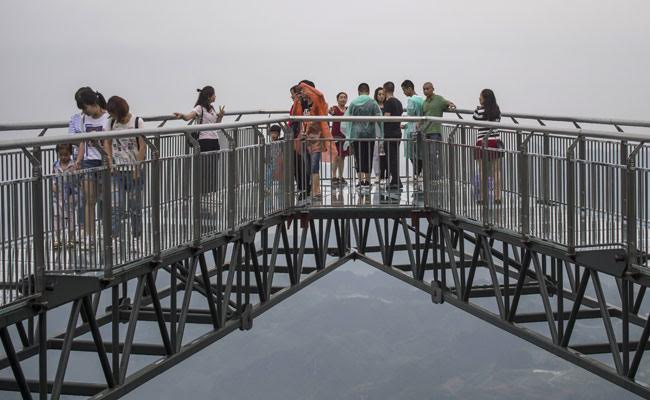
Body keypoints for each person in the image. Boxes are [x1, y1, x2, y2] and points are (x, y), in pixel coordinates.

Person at [104, 96, 146, 246]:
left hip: (134, 169)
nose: (113, 116)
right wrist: (110, 161)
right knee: (116, 205)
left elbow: (142, 145)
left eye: (114, 113)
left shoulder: (137, 122)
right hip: (117, 170)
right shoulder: (110, 122)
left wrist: (137, 167)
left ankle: (136, 236)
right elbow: (107, 142)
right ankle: (115, 238)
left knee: (135, 206)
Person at [174, 86, 226, 195]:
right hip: (204, 141)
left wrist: (220, 116)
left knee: (213, 170)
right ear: (208, 96)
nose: (215, 96)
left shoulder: (212, 109)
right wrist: (182, 116)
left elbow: (215, 125)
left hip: (214, 140)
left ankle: (211, 193)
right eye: (213, 94)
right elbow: (189, 117)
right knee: (204, 170)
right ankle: (203, 194)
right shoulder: (199, 108)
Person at [74, 89, 108, 250]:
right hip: (88, 161)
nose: (84, 111)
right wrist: (78, 161)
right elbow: (82, 141)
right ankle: (89, 236)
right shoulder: (83, 118)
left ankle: (108, 235)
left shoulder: (107, 117)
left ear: (94, 104)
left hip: (104, 161)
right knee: (89, 200)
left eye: (85, 107)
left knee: (105, 200)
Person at [292, 81, 337, 200]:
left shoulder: (319, 102)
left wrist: (306, 87)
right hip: (304, 139)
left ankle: (317, 192)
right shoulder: (301, 103)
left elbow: (320, 96)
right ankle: (311, 189)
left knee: (314, 165)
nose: (302, 92)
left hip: (316, 138)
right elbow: (296, 117)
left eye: (304, 89)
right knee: (307, 166)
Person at [342, 83, 383, 190]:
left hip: (356, 134)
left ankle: (360, 180)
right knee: (368, 156)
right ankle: (368, 180)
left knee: (359, 157)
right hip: (370, 134)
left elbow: (347, 119)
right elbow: (379, 118)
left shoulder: (353, 103)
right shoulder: (373, 102)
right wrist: (381, 135)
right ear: (368, 91)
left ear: (358, 91)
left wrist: (348, 135)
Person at [421, 82, 456, 180]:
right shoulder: (424, 102)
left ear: (433, 89)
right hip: (425, 131)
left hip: (435, 132)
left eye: (427, 89)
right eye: (424, 89)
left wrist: (451, 105)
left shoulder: (438, 99)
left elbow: (448, 103)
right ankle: (430, 176)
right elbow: (423, 116)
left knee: (433, 155)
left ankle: (436, 176)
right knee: (427, 155)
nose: (426, 91)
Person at [473, 89, 503, 204]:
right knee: (496, 170)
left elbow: (475, 118)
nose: (479, 98)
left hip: (483, 142)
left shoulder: (479, 111)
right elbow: (499, 120)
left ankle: (482, 197)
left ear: (484, 98)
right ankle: (497, 196)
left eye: (480, 96)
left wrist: (477, 108)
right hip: (495, 141)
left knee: (482, 171)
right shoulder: (497, 110)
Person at [52, 143, 78, 249]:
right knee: (56, 217)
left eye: (66, 155)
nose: (63, 157)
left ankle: (71, 239)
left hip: (70, 195)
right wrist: (53, 184)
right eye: (61, 155)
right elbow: (53, 176)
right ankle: (57, 239)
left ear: (70, 154)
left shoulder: (73, 165)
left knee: (70, 217)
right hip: (57, 195)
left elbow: (76, 182)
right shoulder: (55, 164)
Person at [289, 86, 311, 200]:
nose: (292, 96)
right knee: (298, 165)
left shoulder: (302, 103)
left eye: (292, 94)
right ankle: (302, 189)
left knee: (303, 165)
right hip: (296, 138)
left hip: (300, 137)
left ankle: (305, 189)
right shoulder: (297, 104)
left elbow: (305, 119)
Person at [382, 81, 404, 190]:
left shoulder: (388, 102)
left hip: (389, 133)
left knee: (391, 158)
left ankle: (396, 181)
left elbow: (386, 117)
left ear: (385, 90)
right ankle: (396, 179)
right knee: (394, 157)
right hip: (397, 133)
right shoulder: (399, 102)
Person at [401, 80, 425, 180]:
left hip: (412, 129)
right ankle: (418, 173)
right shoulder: (421, 99)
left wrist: (406, 124)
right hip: (421, 127)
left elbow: (411, 115)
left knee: (412, 153)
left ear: (409, 88)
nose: (404, 93)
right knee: (419, 152)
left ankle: (416, 173)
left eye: (404, 90)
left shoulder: (412, 100)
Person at [328, 92, 349, 185]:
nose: (343, 99)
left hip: (345, 136)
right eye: (341, 97)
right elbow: (330, 111)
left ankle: (340, 176)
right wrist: (330, 111)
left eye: (345, 97)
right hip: (336, 135)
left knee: (342, 157)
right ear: (337, 99)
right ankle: (333, 176)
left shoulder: (348, 110)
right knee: (335, 157)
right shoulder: (335, 109)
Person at [372, 87, 386, 184]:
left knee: (385, 156)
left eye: (383, 94)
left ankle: (385, 176)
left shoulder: (388, 105)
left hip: (386, 134)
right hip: (376, 134)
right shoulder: (373, 106)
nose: (381, 96)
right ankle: (377, 175)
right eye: (379, 94)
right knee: (376, 155)